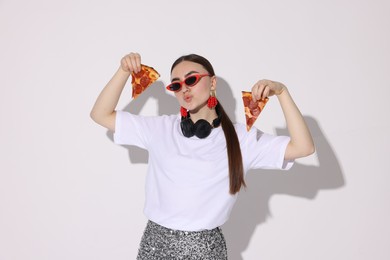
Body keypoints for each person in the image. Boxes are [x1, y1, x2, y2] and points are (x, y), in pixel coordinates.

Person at [90, 52, 315, 259]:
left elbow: (303, 147)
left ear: (212, 82)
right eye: (176, 85)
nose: (184, 89)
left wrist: (282, 92)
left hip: (206, 250)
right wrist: (123, 71)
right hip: (155, 246)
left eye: (191, 80)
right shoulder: (160, 128)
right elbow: (100, 114)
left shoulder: (242, 138)